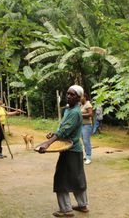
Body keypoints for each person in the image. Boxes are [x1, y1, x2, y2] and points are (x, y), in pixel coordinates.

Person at [38, 85, 89, 217]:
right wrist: (54, 134)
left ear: (78, 98)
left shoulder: (75, 112)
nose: (68, 96)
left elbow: (64, 131)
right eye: (67, 94)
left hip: (70, 150)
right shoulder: (69, 110)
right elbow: (62, 129)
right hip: (74, 150)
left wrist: (47, 143)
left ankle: (66, 210)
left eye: (72, 95)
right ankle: (82, 205)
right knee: (77, 177)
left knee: (61, 179)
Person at [81, 93, 93, 165]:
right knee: (84, 141)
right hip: (81, 125)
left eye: (81, 97)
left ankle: (89, 157)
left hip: (87, 125)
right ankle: (86, 154)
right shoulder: (82, 105)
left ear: (85, 97)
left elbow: (91, 114)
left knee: (86, 141)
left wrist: (80, 114)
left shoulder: (88, 104)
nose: (80, 98)